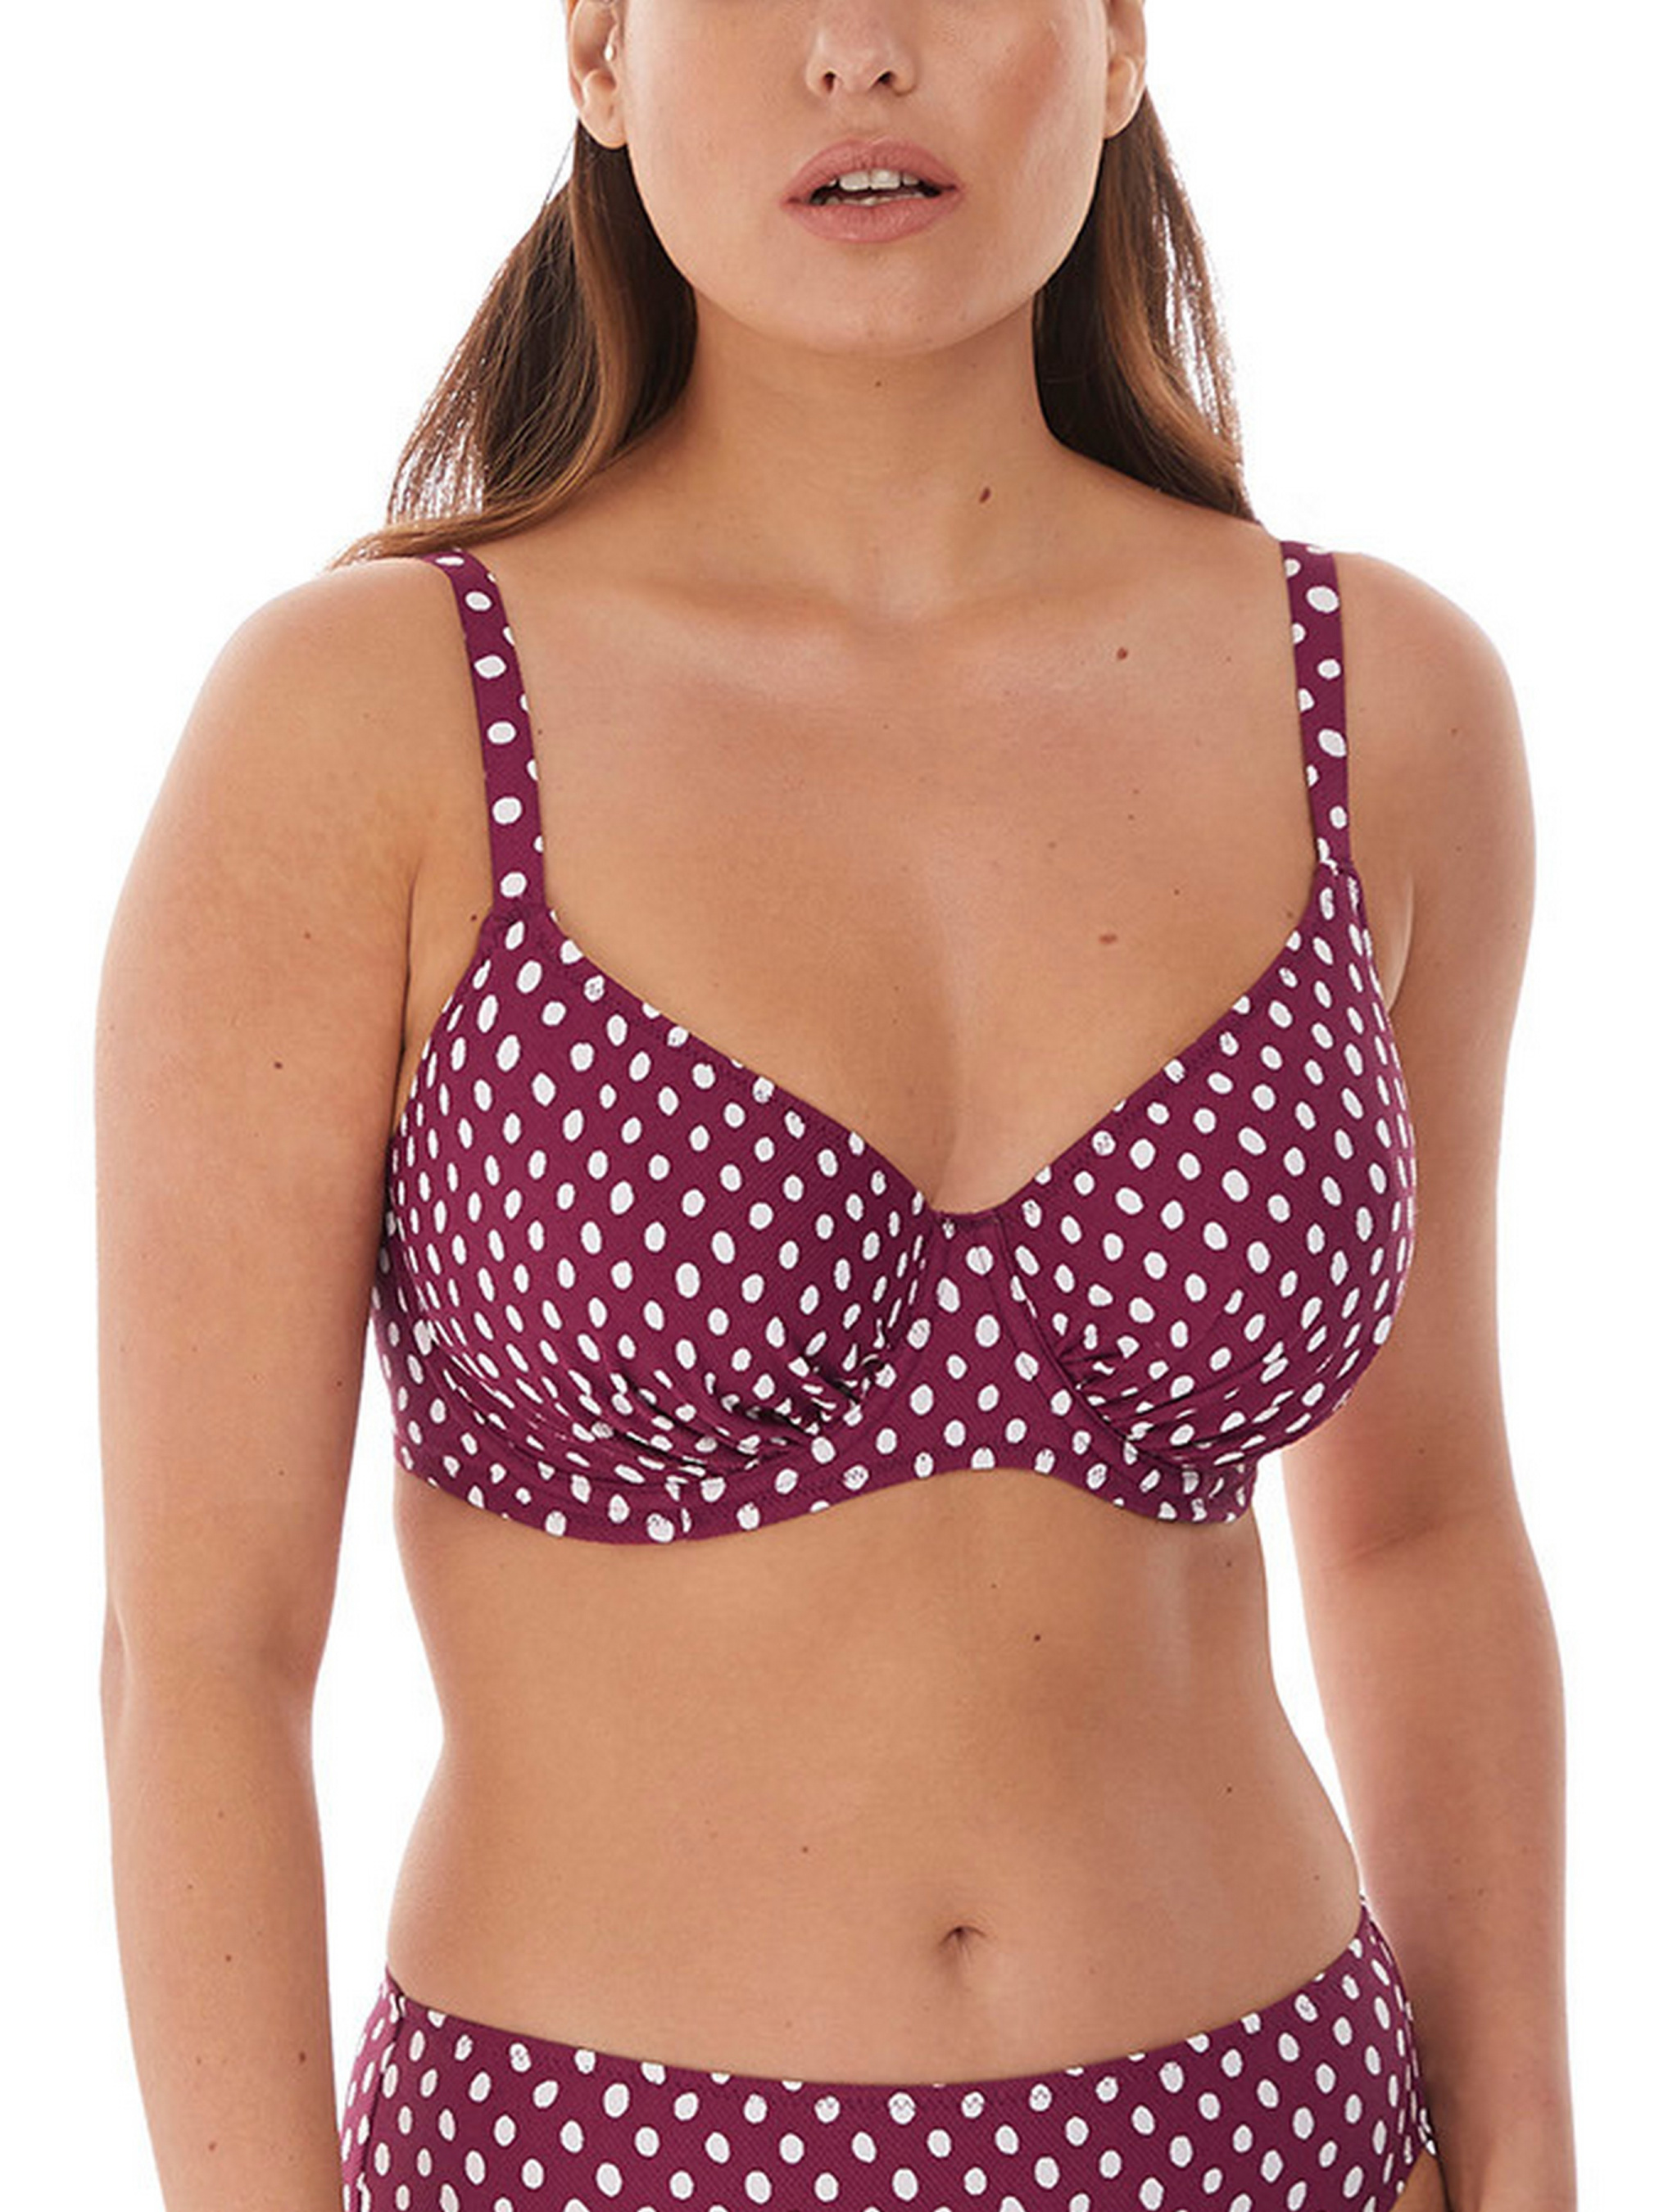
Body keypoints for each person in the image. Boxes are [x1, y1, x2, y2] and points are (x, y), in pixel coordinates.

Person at [96, 3, 1575, 2209]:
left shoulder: (1379, 703)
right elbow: (203, 1650)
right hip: (587, 2157)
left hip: (1272, 2136)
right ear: (600, 54)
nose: (860, 50)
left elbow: (1424, 1525)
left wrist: (1530, 2159)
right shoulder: (365, 723)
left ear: (1113, 45)